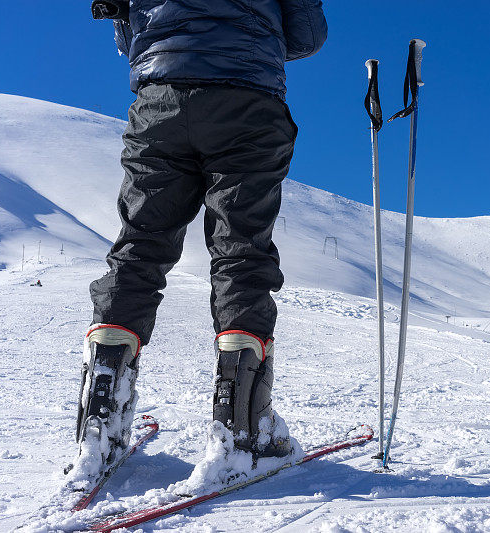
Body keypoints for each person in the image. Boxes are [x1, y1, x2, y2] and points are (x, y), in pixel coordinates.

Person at [72, 0, 328, 480]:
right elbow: (307, 37)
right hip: (247, 100)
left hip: (161, 101)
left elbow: (131, 39)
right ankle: (241, 430)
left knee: (140, 248)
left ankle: (100, 418)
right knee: (242, 255)